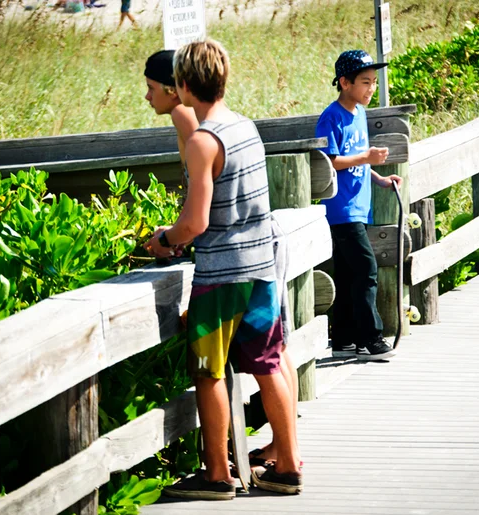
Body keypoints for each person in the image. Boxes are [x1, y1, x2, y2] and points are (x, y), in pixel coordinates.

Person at [146, 40, 302, 500]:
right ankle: (288, 466)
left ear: (185, 85)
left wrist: (166, 240)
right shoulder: (246, 128)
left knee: (208, 371)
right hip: (260, 268)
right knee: (269, 363)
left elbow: (196, 222)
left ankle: (216, 474)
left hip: (221, 277)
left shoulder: (202, 141)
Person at [316, 50, 402, 361]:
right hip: (341, 210)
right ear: (344, 82)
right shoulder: (332, 117)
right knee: (367, 270)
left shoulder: (360, 114)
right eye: (365, 82)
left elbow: (360, 160)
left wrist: (378, 178)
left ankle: (343, 340)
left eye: (373, 83)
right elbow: (330, 162)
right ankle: (371, 340)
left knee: (351, 274)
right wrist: (366, 158)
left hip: (358, 207)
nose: (371, 89)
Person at [143, 49, 198, 166]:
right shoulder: (195, 109)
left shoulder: (182, 112)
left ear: (172, 90)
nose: (147, 96)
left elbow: (202, 164)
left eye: (151, 88)